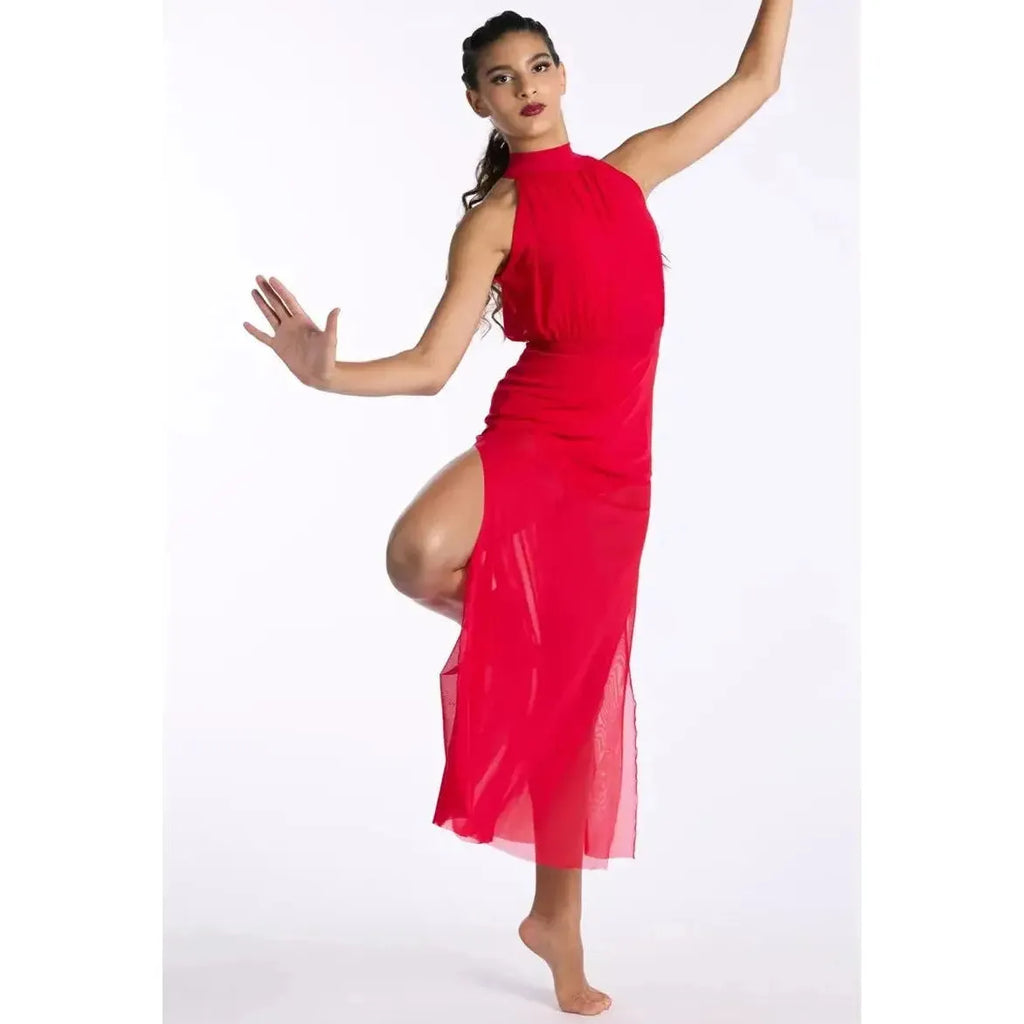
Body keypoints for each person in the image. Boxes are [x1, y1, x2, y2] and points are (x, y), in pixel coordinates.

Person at [242, 5, 792, 1015]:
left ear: (563, 74)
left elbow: (755, 83)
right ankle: (522, 643)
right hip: (535, 433)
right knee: (416, 554)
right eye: (502, 78)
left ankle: (557, 922)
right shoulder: (492, 219)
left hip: (616, 470)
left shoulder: (630, 172)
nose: (526, 87)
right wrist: (326, 374)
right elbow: (430, 365)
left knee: (573, 695)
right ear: (477, 102)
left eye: (538, 66)